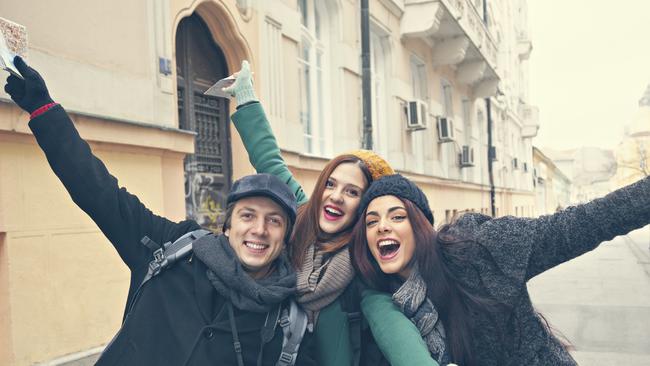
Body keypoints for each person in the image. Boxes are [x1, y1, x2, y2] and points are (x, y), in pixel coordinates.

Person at [4, 56, 316, 366]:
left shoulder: (287, 322)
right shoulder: (175, 249)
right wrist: (44, 111)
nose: (259, 229)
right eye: (248, 215)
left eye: (274, 221)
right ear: (227, 226)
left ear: (286, 235)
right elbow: (99, 193)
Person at [223, 61, 436, 365]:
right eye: (331, 184)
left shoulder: (363, 262)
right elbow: (270, 160)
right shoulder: (301, 214)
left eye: (351, 192)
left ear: (363, 209)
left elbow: (388, 321)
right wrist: (246, 97)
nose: (336, 196)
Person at [352, 173, 650, 366]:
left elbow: (582, 224)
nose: (383, 226)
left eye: (397, 216)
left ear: (421, 226)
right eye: (371, 221)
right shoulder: (383, 305)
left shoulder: (479, 251)